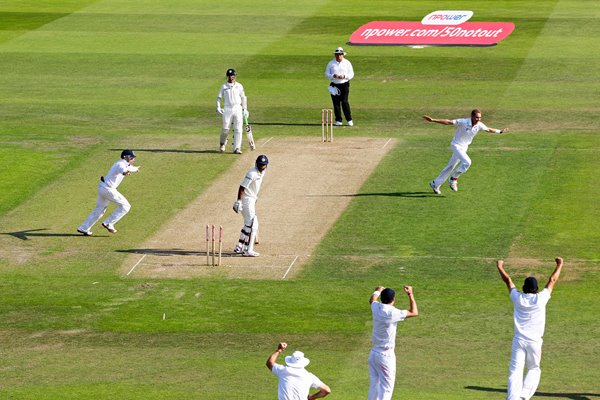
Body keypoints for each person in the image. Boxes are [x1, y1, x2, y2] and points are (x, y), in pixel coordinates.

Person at [496, 257, 564, 400]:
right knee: (534, 369)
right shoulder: (541, 298)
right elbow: (552, 281)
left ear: (524, 288)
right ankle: (523, 396)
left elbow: (508, 281)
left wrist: (500, 266)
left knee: (515, 371)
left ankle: (513, 398)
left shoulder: (517, 298)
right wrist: (559, 265)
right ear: (536, 289)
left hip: (518, 341)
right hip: (534, 343)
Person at [423, 109, 509, 194]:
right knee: (467, 162)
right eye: (476, 117)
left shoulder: (479, 125)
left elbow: (489, 130)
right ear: (472, 116)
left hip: (464, 148)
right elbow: (448, 122)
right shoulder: (463, 121)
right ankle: (453, 179)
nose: (478, 119)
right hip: (456, 145)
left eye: (480, 118)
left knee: (450, 166)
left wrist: (500, 131)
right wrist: (433, 120)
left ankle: (435, 184)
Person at [368, 285, 419, 400]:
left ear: (382, 299)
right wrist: (410, 294)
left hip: (373, 354)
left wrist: (377, 290)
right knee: (386, 388)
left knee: (374, 386)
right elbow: (414, 312)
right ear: (393, 299)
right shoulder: (393, 313)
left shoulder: (376, 307)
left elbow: (372, 300)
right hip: (386, 356)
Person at [77, 150, 140, 236]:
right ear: (126, 157)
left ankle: (84, 228)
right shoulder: (120, 164)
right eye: (132, 158)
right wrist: (125, 173)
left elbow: (130, 167)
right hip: (108, 189)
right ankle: (108, 223)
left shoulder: (124, 164)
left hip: (103, 187)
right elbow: (123, 170)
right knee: (125, 206)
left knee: (100, 209)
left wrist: (136, 169)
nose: (133, 159)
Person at [266, 342, 331, 400]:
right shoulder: (309, 376)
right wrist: (311, 397)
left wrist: (279, 350)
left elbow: (269, 363)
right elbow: (326, 390)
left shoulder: (282, 371)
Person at [232, 154, 268, 257]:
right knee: (253, 224)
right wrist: (238, 201)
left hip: (251, 199)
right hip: (246, 200)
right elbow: (242, 187)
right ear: (256, 164)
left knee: (248, 224)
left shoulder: (263, 172)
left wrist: (254, 198)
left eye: (264, 165)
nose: (262, 167)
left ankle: (240, 246)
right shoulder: (251, 173)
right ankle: (248, 250)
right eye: (260, 165)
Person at [216, 68, 249, 154]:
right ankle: (222, 143)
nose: (231, 77)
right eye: (230, 76)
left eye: (233, 76)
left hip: (237, 108)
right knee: (225, 129)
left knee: (238, 128)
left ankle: (237, 148)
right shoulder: (224, 86)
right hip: (227, 109)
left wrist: (244, 109)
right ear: (227, 76)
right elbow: (219, 97)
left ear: (235, 76)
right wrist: (218, 107)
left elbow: (243, 97)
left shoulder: (239, 86)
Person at [324, 47, 354, 126]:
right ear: (335, 55)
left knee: (344, 102)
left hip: (344, 84)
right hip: (334, 85)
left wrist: (344, 76)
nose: (339, 56)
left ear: (343, 55)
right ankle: (338, 120)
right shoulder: (331, 63)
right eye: (337, 54)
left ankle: (349, 119)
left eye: (340, 54)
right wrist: (333, 75)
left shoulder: (347, 63)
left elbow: (351, 74)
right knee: (336, 103)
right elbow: (326, 73)